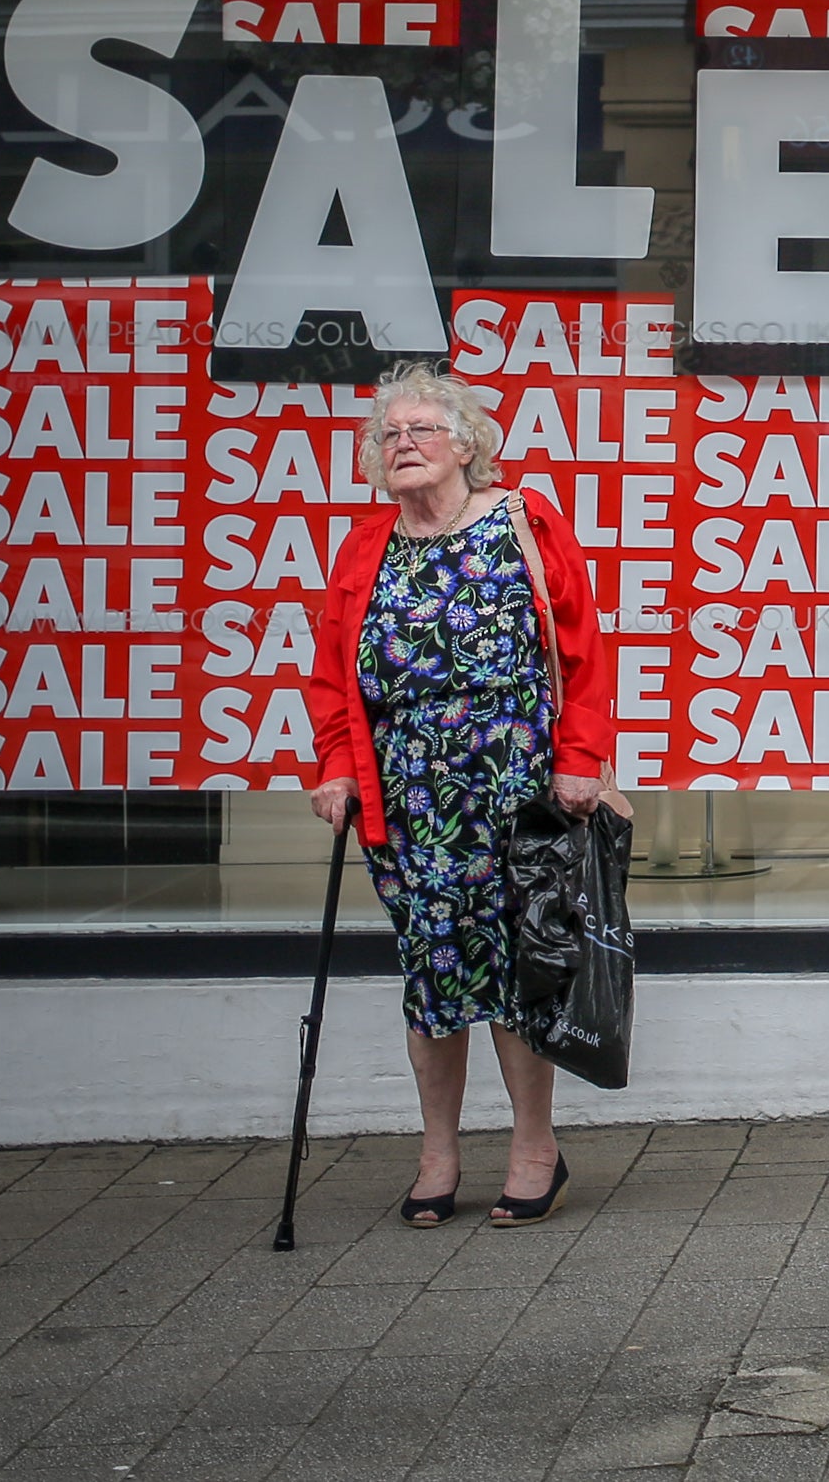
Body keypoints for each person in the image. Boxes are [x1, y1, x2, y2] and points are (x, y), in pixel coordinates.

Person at [306, 363, 612, 1228]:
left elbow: (584, 647)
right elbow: (333, 674)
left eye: (421, 430)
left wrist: (580, 755)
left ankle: (534, 1148)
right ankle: (438, 1151)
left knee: (518, 967)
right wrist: (335, 765)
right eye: (389, 435)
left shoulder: (524, 522)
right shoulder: (366, 546)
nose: (403, 444)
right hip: (408, 791)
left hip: (514, 780)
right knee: (433, 970)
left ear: (467, 445)